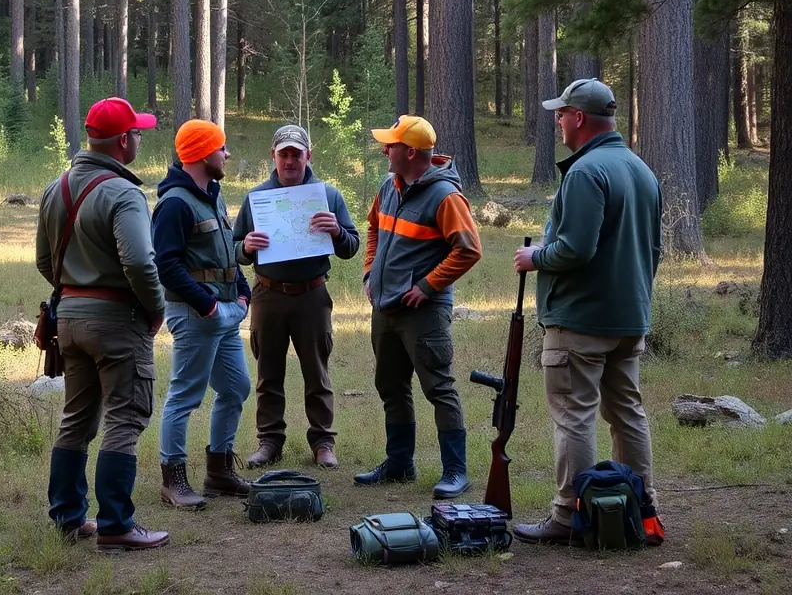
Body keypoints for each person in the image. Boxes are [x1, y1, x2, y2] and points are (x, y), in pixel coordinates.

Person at [512, 78, 663, 545]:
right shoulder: (641, 169)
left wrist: (534, 256)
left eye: (561, 113)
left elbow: (575, 249)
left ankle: (568, 516)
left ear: (578, 118)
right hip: (628, 320)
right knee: (628, 414)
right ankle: (641, 509)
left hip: (579, 321)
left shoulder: (584, 172)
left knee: (574, 416)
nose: (557, 120)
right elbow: (653, 251)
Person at [35, 97, 168, 552]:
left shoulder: (57, 188)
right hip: (116, 321)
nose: (140, 138)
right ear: (124, 140)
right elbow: (139, 260)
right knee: (125, 419)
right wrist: (156, 308)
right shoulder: (123, 192)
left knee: (75, 419)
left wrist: (76, 288)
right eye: (138, 133)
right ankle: (116, 525)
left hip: (68, 319)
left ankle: (68, 519)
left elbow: (42, 260)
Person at [356, 115, 483, 499]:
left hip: (423, 312)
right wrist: (369, 273)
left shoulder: (446, 197)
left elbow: (469, 249)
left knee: (438, 387)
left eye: (390, 145)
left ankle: (456, 471)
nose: (384, 150)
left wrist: (428, 286)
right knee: (390, 385)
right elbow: (374, 227)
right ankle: (399, 464)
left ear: (410, 152)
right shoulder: (389, 186)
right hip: (385, 306)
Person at [232, 124, 360, 470]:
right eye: (283, 154)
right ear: (272, 157)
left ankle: (322, 441)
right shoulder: (256, 198)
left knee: (316, 371)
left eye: (296, 154)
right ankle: (269, 441)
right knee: (268, 372)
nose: (290, 161)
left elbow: (352, 246)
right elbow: (232, 249)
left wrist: (335, 231)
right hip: (268, 294)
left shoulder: (327, 196)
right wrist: (245, 247)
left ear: (308, 156)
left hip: (312, 295)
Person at [152, 119, 253, 510]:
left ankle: (219, 472)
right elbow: (167, 265)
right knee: (185, 396)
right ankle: (173, 481)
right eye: (221, 148)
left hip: (224, 312)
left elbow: (226, 253)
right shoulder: (175, 203)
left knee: (235, 388)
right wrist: (207, 304)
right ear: (201, 153)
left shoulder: (211, 194)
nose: (226, 154)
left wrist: (242, 291)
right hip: (197, 314)